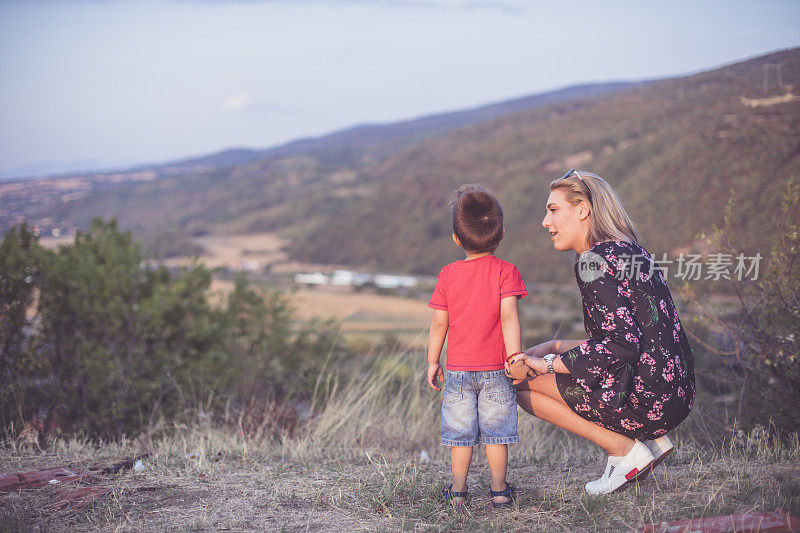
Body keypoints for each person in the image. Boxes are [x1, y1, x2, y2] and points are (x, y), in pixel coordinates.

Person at [506, 170, 695, 495]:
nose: (544, 221)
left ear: (582, 210)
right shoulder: (633, 252)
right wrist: (554, 344)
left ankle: (623, 449)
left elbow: (620, 345)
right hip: (676, 395)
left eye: (553, 210)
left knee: (521, 385)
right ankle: (642, 444)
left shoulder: (591, 263)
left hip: (648, 400)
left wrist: (548, 364)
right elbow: (635, 337)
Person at [427, 184, 528, 507]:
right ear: (501, 234)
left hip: (457, 371)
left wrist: (432, 362)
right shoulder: (506, 272)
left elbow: (439, 323)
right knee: (497, 435)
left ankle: (457, 492)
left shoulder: (447, 274)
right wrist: (515, 358)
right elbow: (509, 318)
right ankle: (499, 491)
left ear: (456, 238)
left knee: (461, 436)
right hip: (497, 370)